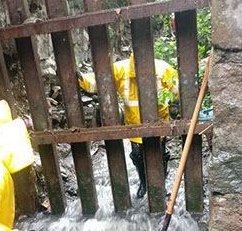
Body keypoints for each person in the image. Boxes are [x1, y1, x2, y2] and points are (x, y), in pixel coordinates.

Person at [77, 53, 179, 198]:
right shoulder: (121, 69)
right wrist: (82, 79)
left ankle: (160, 185)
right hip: (134, 125)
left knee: (160, 152)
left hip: (158, 123)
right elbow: (99, 80)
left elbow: (178, 89)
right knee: (138, 156)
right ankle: (144, 183)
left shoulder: (163, 69)